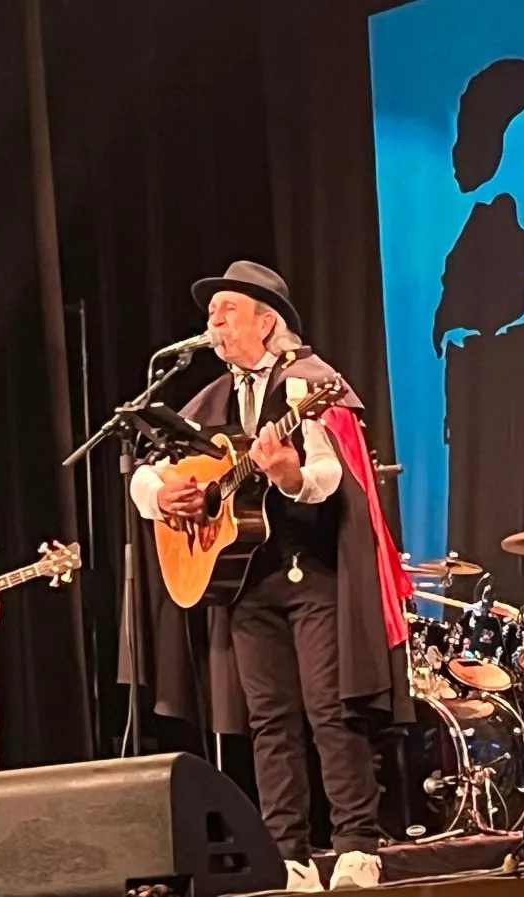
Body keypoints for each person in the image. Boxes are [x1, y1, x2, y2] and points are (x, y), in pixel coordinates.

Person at [130, 261, 412, 890]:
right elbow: (148, 471)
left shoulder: (310, 384)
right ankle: (288, 853)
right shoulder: (207, 400)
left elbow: (329, 476)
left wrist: (285, 475)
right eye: (211, 313)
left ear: (267, 321)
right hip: (245, 584)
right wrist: (164, 496)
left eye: (226, 310)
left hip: (312, 573)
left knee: (330, 710)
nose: (213, 322)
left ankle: (356, 845)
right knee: (269, 720)